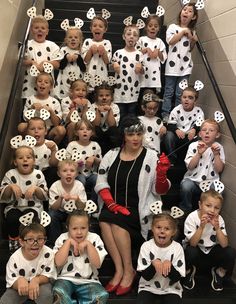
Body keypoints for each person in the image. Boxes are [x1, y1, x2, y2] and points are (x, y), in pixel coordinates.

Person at [95, 116, 171, 296]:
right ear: (124, 136)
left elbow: (160, 190)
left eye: (139, 134)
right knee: (105, 219)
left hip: (138, 212)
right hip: (113, 208)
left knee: (116, 222)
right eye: (131, 134)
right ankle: (120, 269)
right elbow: (101, 182)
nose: (135, 138)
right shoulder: (111, 154)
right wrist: (112, 204)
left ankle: (128, 269)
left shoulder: (151, 156)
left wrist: (161, 175)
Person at [182, 189, 236, 291]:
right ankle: (189, 271)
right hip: (197, 249)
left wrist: (217, 228)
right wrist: (201, 227)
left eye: (216, 208)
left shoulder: (219, 219)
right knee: (190, 251)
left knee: (231, 252)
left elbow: (224, 244)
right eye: (208, 205)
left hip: (212, 251)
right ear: (200, 205)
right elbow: (192, 243)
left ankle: (219, 272)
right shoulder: (192, 217)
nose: (212, 210)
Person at [52, 210, 109, 304]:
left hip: (89, 281)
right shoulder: (62, 238)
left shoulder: (94, 238)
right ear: (67, 227)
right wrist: (68, 243)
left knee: (101, 295)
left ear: (89, 227)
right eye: (74, 228)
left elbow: (97, 264)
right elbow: (58, 263)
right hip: (65, 278)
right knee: (58, 291)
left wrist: (88, 245)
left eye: (83, 228)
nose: (79, 232)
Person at [0, 146, 48, 252]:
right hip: (14, 206)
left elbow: (44, 196)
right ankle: (14, 242)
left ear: (34, 161)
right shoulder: (11, 174)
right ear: (15, 162)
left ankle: (30, 243)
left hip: (33, 207)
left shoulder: (38, 175)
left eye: (28, 157)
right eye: (21, 158)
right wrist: (10, 187)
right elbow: (3, 195)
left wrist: (36, 189)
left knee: (31, 219)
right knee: (12, 218)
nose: (25, 160)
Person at [0, 222, 57, 304]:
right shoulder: (15, 258)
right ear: (22, 242)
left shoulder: (48, 253)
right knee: (6, 301)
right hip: (21, 287)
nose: (35, 243)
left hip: (40, 284)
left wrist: (37, 280)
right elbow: (11, 281)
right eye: (30, 239)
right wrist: (19, 281)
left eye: (40, 239)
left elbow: (49, 275)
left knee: (46, 295)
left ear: (44, 240)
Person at [136, 212, 185, 304]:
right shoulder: (146, 246)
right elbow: (146, 277)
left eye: (167, 228)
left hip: (171, 289)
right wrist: (153, 265)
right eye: (158, 227)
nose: (162, 231)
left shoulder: (177, 248)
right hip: (148, 287)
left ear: (173, 232)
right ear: (152, 228)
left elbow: (176, 278)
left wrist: (170, 267)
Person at [161, 3, 198, 122]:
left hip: (185, 67)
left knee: (180, 93)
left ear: (193, 17)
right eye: (184, 9)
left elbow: (190, 48)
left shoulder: (193, 31)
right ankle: (166, 114)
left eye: (189, 11)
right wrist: (183, 32)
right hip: (172, 67)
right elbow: (170, 41)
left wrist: (193, 40)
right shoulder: (172, 27)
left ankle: (177, 114)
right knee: (169, 92)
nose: (186, 12)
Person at [179, 118, 225, 212]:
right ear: (200, 134)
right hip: (193, 181)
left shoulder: (218, 148)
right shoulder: (193, 146)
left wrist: (216, 154)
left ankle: (209, 212)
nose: (207, 132)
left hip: (210, 182)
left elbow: (219, 169)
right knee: (186, 187)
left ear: (217, 135)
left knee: (218, 190)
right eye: (204, 130)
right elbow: (190, 166)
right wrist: (198, 153)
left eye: (211, 130)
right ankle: (185, 209)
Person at [18, 72, 66, 145]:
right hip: (33, 129)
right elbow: (26, 119)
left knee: (61, 130)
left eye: (46, 82)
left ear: (51, 87)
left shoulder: (54, 102)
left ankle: (53, 147)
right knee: (21, 126)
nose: (42, 83)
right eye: (40, 81)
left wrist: (51, 111)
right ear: (36, 84)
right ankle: (27, 144)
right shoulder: (30, 99)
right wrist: (32, 109)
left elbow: (57, 124)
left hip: (49, 130)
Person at [22, 12, 61, 99]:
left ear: (47, 31)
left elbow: (57, 64)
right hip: (29, 86)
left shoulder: (53, 46)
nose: (40, 30)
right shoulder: (27, 45)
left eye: (43, 28)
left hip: (47, 88)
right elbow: (21, 61)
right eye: (36, 28)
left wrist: (46, 63)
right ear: (32, 30)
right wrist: (32, 62)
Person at [48, 159, 87, 246]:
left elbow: (82, 207)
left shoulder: (79, 185)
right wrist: (60, 198)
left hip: (74, 212)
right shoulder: (55, 186)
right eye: (64, 171)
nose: (68, 173)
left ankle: (78, 240)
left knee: (83, 215)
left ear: (76, 174)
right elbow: (53, 207)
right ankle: (55, 242)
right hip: (60, 211)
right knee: (52, 214)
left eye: (72, 171)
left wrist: (77, 199)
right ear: (59, 174)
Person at [164, 85, 204, 165]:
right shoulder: (176, 110)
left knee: (201, 136)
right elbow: (170, 124)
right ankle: (172, 157)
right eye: (184, 97)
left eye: (190, 98)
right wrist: (176, 130)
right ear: (181, 98)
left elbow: (201, 124)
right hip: (178, 135)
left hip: (191, 136)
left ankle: (194, 159)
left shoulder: (199, 111)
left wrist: (194, 129)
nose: (186, 99)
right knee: (168, 135)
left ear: (195, 101)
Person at [112, 24, 144, 120]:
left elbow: (143, 72)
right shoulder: (118, 53)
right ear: (124, 36)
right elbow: (111, 66)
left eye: (135, 35)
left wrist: (141, 68)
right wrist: (114, 65)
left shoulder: (139, 54)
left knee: (131, 118)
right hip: (119, 93)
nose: (131, 36)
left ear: (137, 38)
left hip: (133, 93)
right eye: (129, 34)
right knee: (120, 117)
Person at [66, 119, 102, 203]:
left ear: (92, 133)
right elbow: (66, 163)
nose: (85, 131)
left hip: (92, 174)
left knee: (97, 179)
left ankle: (92, 203)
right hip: (77, 174)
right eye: (81, 129)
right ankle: (80, 202)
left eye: (88, 129)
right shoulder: (72, 145)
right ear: (76, 133)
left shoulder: (95, 145)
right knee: (81, 179)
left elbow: (101, 162)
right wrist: (74, 164)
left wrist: (94, 158)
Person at [136, 13, 167, 100]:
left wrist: (158, 52)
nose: (153, 27)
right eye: (150, 25)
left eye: (155, 26)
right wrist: (145, 50)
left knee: (152, 97)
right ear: (146, 27)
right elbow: (135, 54)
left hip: (154, 76)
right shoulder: (141, 39)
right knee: (141, 95)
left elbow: (163, 58)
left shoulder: (159, 41)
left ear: (159, 28)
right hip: (143, 73)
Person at [81, 14, 112, 98]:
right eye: (94, 25)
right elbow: (85, 60)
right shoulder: (87, 41)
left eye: (100, 26)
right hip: (88, 77)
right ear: (91, 28)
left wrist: (104, 52)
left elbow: (107, 61)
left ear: (105, 29)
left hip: (102, 79)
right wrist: (90, 51)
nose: (97, 28)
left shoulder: (107, 43)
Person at [54, 25, 86, 100]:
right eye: (70, 37)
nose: (73, 39)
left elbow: (84, 68)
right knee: (65, 98)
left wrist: (78, 58)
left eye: (76, 37)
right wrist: (66, 59)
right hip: (64, 80)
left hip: (78, 79)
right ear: (65, 40)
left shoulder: (82, 51)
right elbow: (60, 66)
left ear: (80, 40)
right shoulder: (63, 50)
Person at [26, 117, 58, 187]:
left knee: (54, 170)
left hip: (46, 173)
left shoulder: (51, 144)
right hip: (29, 172)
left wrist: (53, 151)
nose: (36, 131)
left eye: (40, 128)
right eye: (32, 129)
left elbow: (54, 164)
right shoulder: (25, 145)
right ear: (28, 132)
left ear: (46, 131)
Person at [90, 81, 120, 155]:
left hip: (110, 133)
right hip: (97, 133)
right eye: (101, 95)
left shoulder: (115, 107)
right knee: (95, 130)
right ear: (96, 97)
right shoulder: (92, 106)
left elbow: (112, 125)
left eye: (107, 95)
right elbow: (95, 125)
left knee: (114, 131)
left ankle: (114, 154)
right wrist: (98, 111)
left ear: (111, 97)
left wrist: (109, 110)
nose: (104, 98)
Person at [139, 90, 167, 154]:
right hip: (143, 150)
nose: (152, 111)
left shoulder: (158, 120)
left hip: (156, 150)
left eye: (155, 108)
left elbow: (161, 137)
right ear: (143, 107)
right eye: (149, 108)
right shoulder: (139, 120)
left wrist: (164, 129)